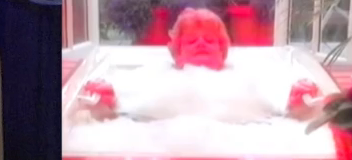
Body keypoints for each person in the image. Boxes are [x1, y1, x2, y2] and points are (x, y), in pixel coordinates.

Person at [73, 8, 324, 124]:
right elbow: (115, 102)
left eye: (211, 41)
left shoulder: (250, 79)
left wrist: (298, 100)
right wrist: (104, 100)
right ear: (177, 52)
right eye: (192, 41)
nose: (202, 44)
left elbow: (285, 103)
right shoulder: (151, 78)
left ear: (223, 51)